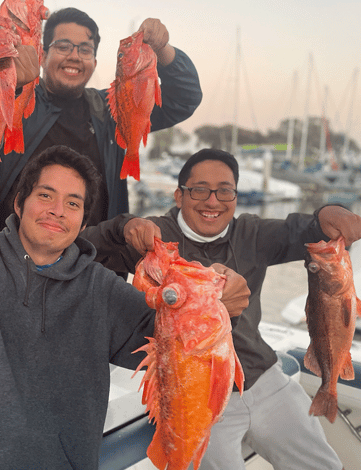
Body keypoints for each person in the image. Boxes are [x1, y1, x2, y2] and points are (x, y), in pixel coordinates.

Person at [0, 145, 248, 469]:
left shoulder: (104, 291)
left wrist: (220, 303)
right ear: (18, 203)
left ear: (84, 221)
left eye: (73, 203)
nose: (57, 211)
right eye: (46, 195)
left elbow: (184, 344)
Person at [81, 148, 361, 470]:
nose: (212, 201)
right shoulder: (154, 238)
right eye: (199, 189)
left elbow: (306, 230)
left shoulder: (252, 233)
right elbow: (82, 250)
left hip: (263, 376)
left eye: (224, 190)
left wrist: (328, 213)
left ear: (236, 197)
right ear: (179, 195)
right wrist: (122, 227)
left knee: (323, 464)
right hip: (198, 391)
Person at [0, 0, 203, 236]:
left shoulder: (111, 112)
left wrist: (163, 49)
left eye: (84, 49)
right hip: (7, 263)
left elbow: (184, 98)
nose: (74, 55)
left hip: (92, 267)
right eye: (63, 46)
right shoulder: (8, 92)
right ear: (41, 55)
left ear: (94, 62)